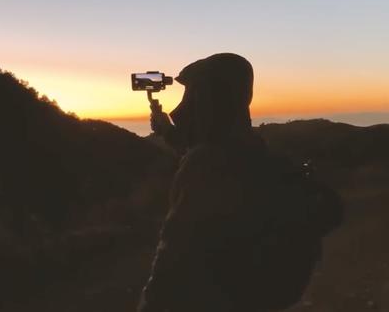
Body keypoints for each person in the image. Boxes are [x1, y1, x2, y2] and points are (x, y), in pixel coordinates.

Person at [138, 53, 340, 312]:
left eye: (191, 95)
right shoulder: (252, 151)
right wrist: (167, 132)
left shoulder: (206, 166)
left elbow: (170, 271)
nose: (183, 106)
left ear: (205, 100)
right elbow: (211, 150)